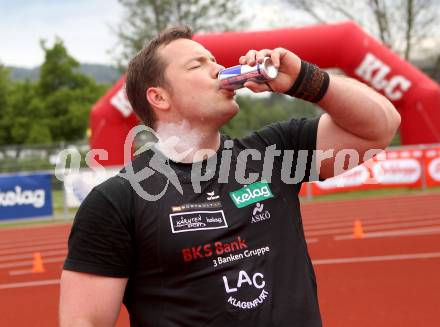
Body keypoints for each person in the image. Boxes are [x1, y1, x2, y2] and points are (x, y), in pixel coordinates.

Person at [59, 26, 400, 327]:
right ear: (159, 97)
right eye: (198, 64)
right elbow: (83, 321)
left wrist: (304, 80)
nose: (219, 69)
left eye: (214, 61)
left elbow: (380, 127)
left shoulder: (273, 154)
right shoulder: (118, 200)